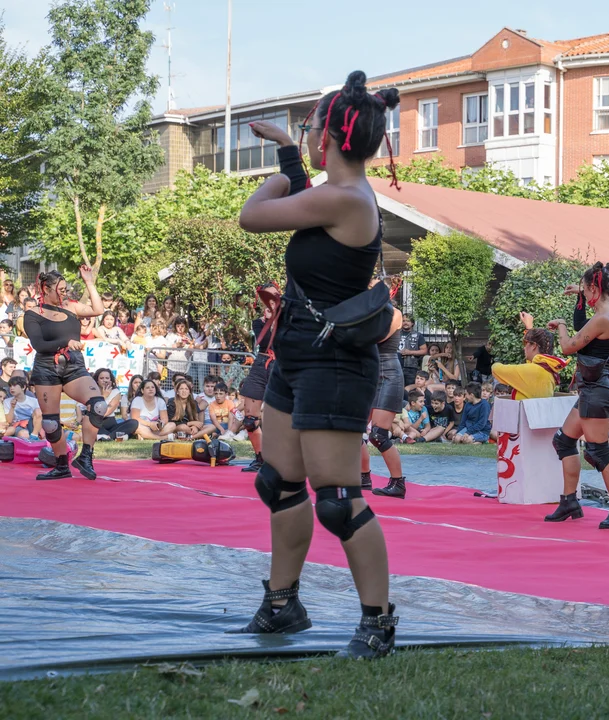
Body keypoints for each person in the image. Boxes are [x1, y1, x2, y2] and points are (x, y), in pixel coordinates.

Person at [230, 71, 401, 657]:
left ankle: (378, 623)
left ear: (326, 136)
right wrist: (288, 148)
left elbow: (253, 215)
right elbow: (305, 196)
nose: (305, 139)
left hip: (334, 366)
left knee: (338, 499)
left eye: (309, 131)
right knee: (279, 482)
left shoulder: (344, 198)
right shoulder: (337, 193)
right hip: (299, 354)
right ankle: (283, 604)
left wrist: (280, 169)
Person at [542, 264, 609, 529]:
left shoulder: (604, 318)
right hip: (593, 388)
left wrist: (562, 326)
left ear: (594, 287)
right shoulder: (608, 312)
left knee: (598, 452)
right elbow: (585, 324)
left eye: (586, 288)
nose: (585, 294)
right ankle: (569, 501)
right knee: (564, 441)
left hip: (597, 390)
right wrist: (580, 294)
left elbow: (569, 346)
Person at [23, 268, 108, 481]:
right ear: (46, 289)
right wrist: (66, 342)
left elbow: (98, 309)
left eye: (65, 289)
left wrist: (89, 282)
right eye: (60, 290)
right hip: (46, 368)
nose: (64, 293)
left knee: (98, 405)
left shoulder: (71, 306)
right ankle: (61, 465)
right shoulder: (33, 314)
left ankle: (85, 456)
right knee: (51, 424)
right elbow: (39, 344)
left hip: (73, 366)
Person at [364, 299, 409, 498]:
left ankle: (398, 483)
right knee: (352, 431)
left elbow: (377, 336)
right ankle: (363, 477)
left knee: (378, 435)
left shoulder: (395, 313)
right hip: (368, 373)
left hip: (388, 373)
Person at [236, 296, 277, 474]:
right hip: (261, 363)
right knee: (250, 420)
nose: (270, 303)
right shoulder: (258, 323)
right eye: (267, 300)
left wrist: (277, 320)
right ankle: (260, 459)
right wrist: (269, 321)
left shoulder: (289, 320)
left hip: (281, 365)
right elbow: (265, 342)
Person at [490, 313, 567, 399]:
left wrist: (495, 364)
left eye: (525, 343)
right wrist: (529, 328)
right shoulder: (549, 369)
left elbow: (496, 369)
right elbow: (532, 363)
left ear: (534, 346)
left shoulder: (530, 371)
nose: (524, 348)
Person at [90, 368, 138, 440]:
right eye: (102, 378)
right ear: (97, 380)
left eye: (107, 378)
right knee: (92, 427)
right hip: (97, 423)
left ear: (111, 380)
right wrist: (104, 396)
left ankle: (108, 437)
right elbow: (94, 412)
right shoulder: (92, 392)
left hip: (110, 422)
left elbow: (106, 412)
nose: (105, 380)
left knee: (133, 423)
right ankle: (114, 436)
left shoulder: (115, 392)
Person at [398, 314, 427, 388]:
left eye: (408, 321)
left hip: (411, 368)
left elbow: (424, 351)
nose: (405, 323)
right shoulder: (396, 334)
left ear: (412, 323)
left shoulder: (418, 335)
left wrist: (409, 352)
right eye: (403, 321)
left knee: (409, 389)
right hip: (397, 366)